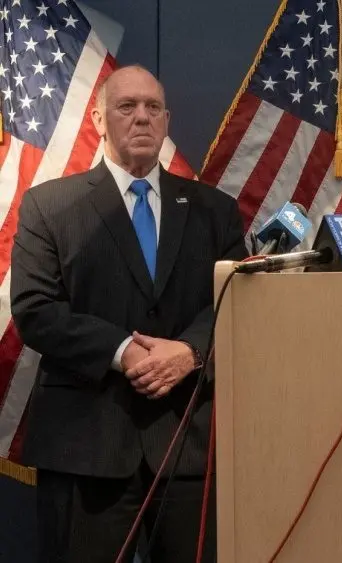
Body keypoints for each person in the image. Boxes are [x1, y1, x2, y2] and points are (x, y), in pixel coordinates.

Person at [11, 64, 247, 563]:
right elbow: (35, 309)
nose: (142, 118)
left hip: (188, 449)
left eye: (153, 108)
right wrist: (122, 352)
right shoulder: (48, 206)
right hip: (85, 448)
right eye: (126, 107)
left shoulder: (215, 211)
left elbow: (235, 302)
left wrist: (189, 352)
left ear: (166, 120)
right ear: (98, 119)